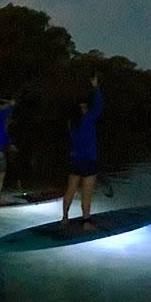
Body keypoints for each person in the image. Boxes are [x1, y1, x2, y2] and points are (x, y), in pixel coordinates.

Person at [62, 73, 104, 230]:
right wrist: (96, 87)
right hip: (89, 161)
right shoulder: (89, 118)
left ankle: (64, 218)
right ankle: (86, 222)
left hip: (75, 160)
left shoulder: (72, 123)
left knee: (70, 190)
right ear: (85, 107)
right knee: (86, 193)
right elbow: (99, 105)